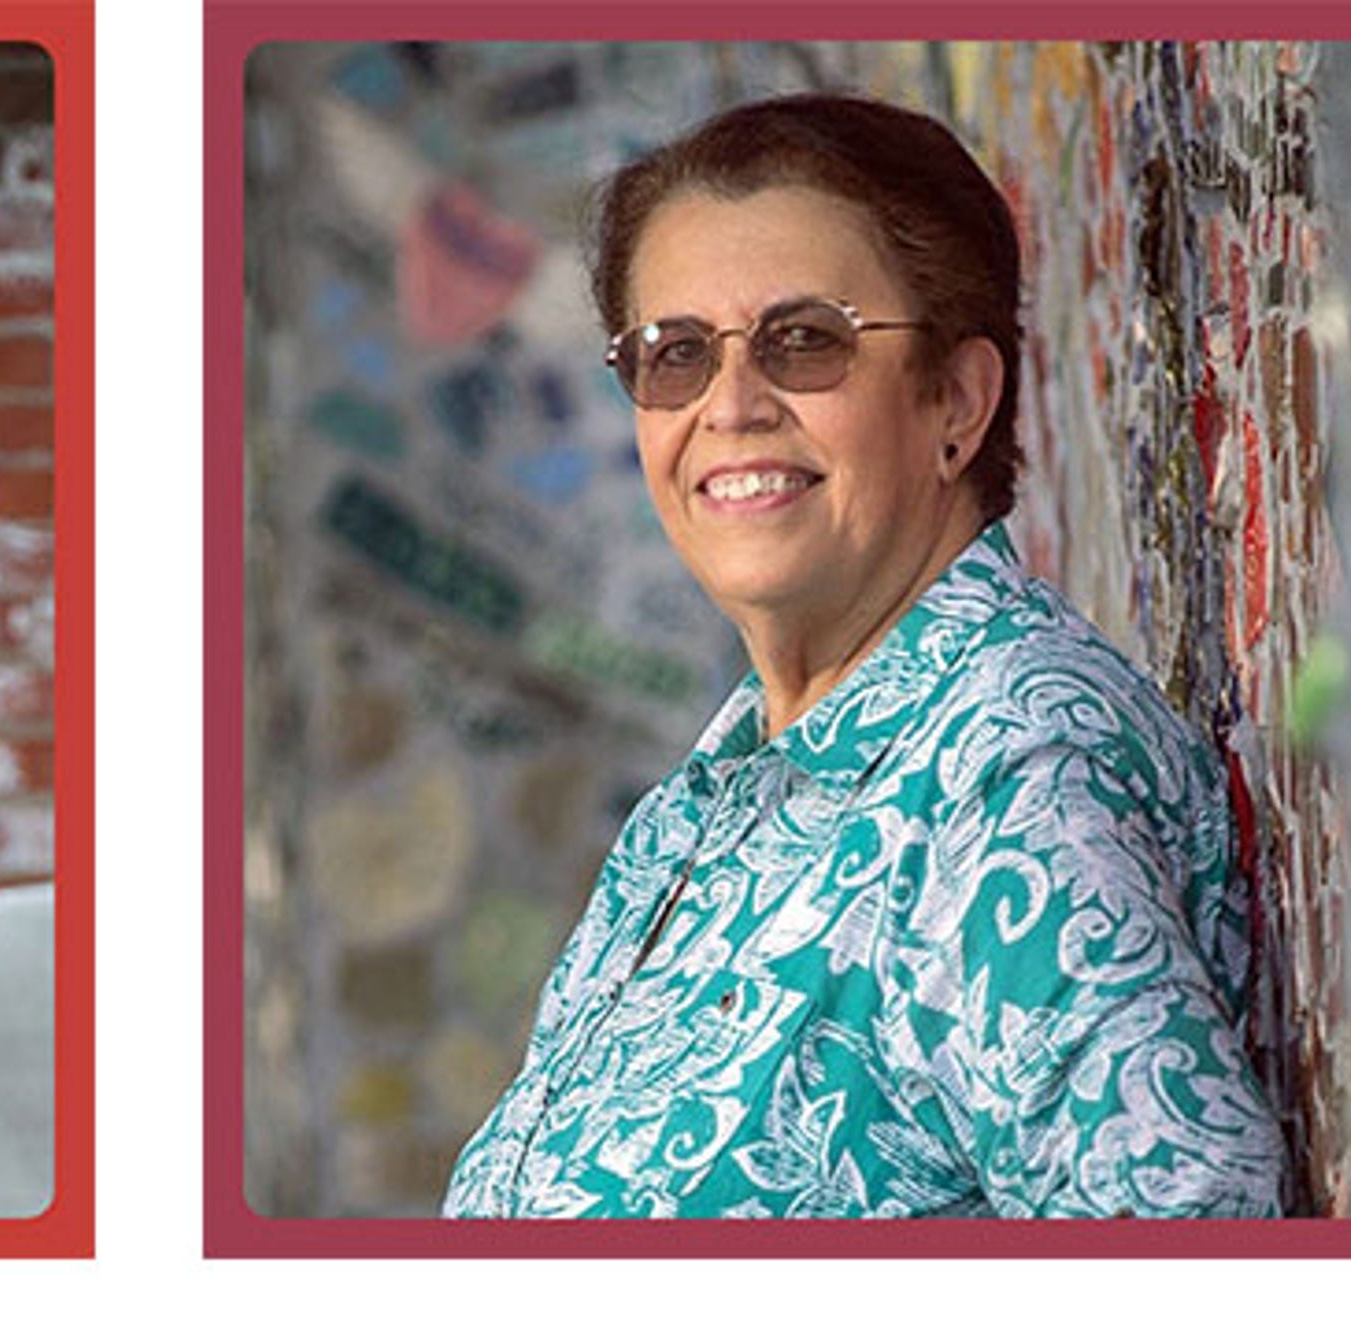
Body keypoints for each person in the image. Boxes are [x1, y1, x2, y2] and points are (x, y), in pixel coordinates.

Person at [442, 95, 1286, 1219]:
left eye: (805, 341)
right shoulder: (715, 800)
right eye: (675, 356)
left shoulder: (1002, 773)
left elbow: (1191, 1248)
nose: (729, 407)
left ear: (955, 400)